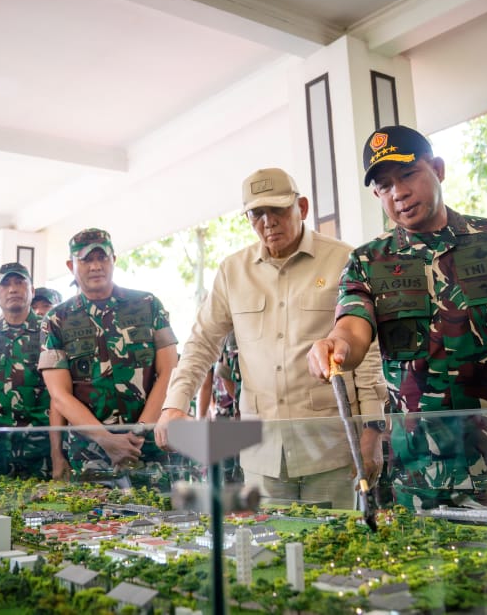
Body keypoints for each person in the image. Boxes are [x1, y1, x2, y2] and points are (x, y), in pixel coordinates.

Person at [308, 126, 487, 512]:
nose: (398, 192)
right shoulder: (368, 263)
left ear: (438, 169)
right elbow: (353, 327)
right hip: (420, 478)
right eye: (384, 186)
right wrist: (337, 344)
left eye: (408, 174)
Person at [156, 168, 386, 510]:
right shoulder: (233, 271)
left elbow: (367, 351)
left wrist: (373, 428)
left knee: (332, 553)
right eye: (257, 214)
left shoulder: (343, 259)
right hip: (261, 454)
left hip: (331, 448)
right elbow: (202, 342)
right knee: (270, 554)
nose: (268, 222)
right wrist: (174, 405)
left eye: (278, 210)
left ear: (302, 207)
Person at [39, 228, 178, 476]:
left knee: (157, 513)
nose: (95, 266)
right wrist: (106, 439)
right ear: (71, 265)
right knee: (90, 516)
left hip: (148, 447)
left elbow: (169, 371)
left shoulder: (148, 305)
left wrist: (140, 430)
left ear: (113, 260)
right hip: (90, 455)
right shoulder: (56, 319)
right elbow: (59, 394)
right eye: (86, 259)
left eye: (102, 258)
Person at [0, 263, 66, 479]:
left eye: (20, 282)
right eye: (5, 284)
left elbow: (63, 390)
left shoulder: (51, 332)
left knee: (43, 509)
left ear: (32, 291)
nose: (13, 289)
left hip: (41, 446)